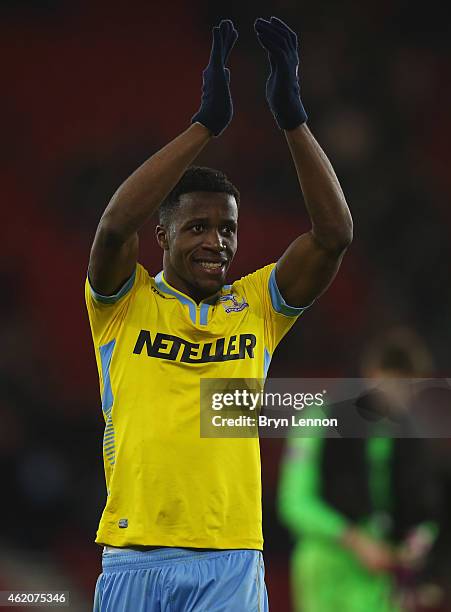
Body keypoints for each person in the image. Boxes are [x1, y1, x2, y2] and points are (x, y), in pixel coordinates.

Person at [85, 17, 352, 611]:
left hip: (231, 559)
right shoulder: (124, 304)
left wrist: (292, 119)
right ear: (162, 234)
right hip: (134, 556)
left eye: (228, 229)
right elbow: (112, 227)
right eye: (198, 227)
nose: (217, 243)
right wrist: (204, 126)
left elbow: (333, 234)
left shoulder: (257, 307)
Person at [278, 328, 441, 612]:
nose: (404, 397)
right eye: (398, 385)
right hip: (326, 566)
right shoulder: (319, 419)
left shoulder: (407, 440)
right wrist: (354, 540)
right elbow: (295, 502)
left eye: (412, 388)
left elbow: (425, 507)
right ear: (372, 375)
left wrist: (416, 544)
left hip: (378, 573)